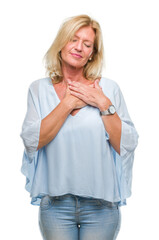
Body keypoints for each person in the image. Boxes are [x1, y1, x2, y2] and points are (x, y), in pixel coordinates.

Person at [20, 14, 139, 240]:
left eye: (87, 44)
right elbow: (33, 140)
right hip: (55, 207)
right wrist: (67, 104)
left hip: (101, 207)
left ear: (92, 53)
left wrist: (103, 103)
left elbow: (126, 144)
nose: (79, 48)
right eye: (74, 40)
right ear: (61, 43)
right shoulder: (38, 89)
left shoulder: (108, 89)